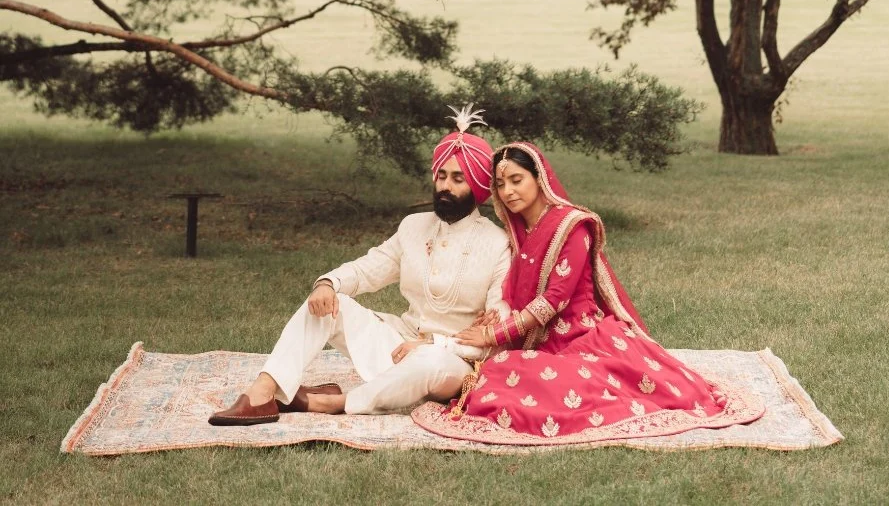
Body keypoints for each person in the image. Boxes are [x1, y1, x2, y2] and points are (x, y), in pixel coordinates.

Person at [412, 142, 764, 446]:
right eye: (500, 184)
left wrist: (496, 333)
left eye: (517, 180)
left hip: (581, 338)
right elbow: (517, 288)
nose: (507, 192)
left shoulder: (572, 225)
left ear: (540, 178)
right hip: (540, 341)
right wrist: (498, 311)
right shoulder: (521, 230)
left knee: (527, 384)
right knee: (502, 373)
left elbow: (554, 299)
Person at [208, 107, 510, 425]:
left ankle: (334, 402)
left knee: (431, 361)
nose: (445, 187)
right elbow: (370, 268)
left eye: (458, 179)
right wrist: (328, 284)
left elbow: (496, 333)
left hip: (450, 362)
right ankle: (264, 392)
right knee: (326, 305)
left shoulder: (497, 243)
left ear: (477, 186)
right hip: (398, 345)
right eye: (442, 176)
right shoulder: (414, 226)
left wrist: (435, 343)